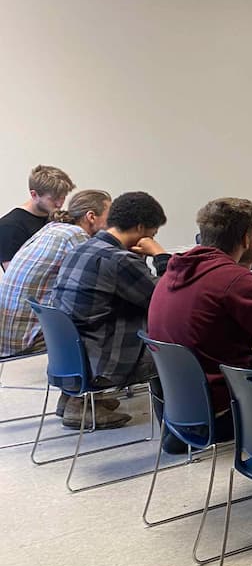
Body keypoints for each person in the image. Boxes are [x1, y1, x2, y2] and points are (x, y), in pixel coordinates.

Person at [146, 198, 252, 449]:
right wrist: (245, 273)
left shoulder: (174, 270)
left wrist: (243, 267)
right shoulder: (234, 280)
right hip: (221, 409)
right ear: (247, 238)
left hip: (178, 405)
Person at [49, 192, 171, 431]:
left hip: (72, 356)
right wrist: (160, 255)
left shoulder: (83, 248)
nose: (152, 238)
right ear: (140, 228)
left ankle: (74, 397)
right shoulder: (118, 260)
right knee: (180, 348)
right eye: (152, 234)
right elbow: (166, 300)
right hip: (103, 363)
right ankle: (181, 424)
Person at [1, 190, 111, 383]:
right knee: (102, 320)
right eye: (109, 216)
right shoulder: (75, 236)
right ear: (91, 216)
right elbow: (102, 280)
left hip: (9, 332)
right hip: (26, 339)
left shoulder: (53, 228)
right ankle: (85, 397)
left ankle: (78, 399)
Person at [0, 165, 75, 269]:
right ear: (34, 194)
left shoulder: (58, 219)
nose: (59, 204)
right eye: (53, 199)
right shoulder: (9, 226)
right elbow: (14, 276)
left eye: (63, 197)